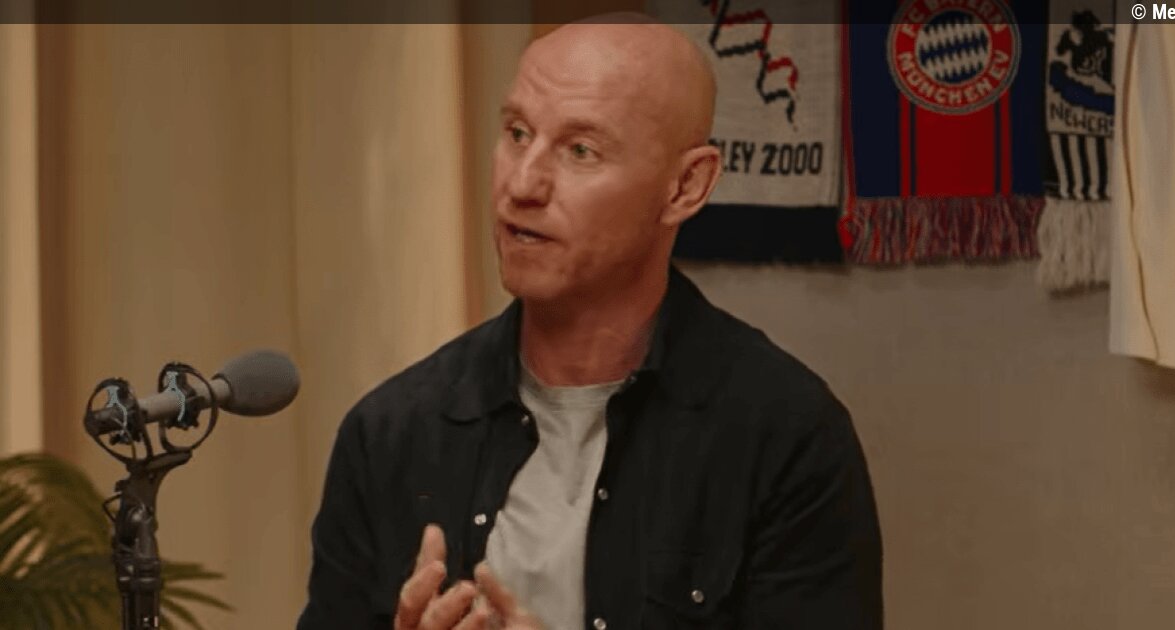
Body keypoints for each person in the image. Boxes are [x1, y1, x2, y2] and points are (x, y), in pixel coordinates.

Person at [298, 17, 882, 630]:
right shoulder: (391, 432)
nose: (523, 184)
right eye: (517, 134)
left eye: (580, 150)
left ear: (686, 186)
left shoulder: (786, 435)